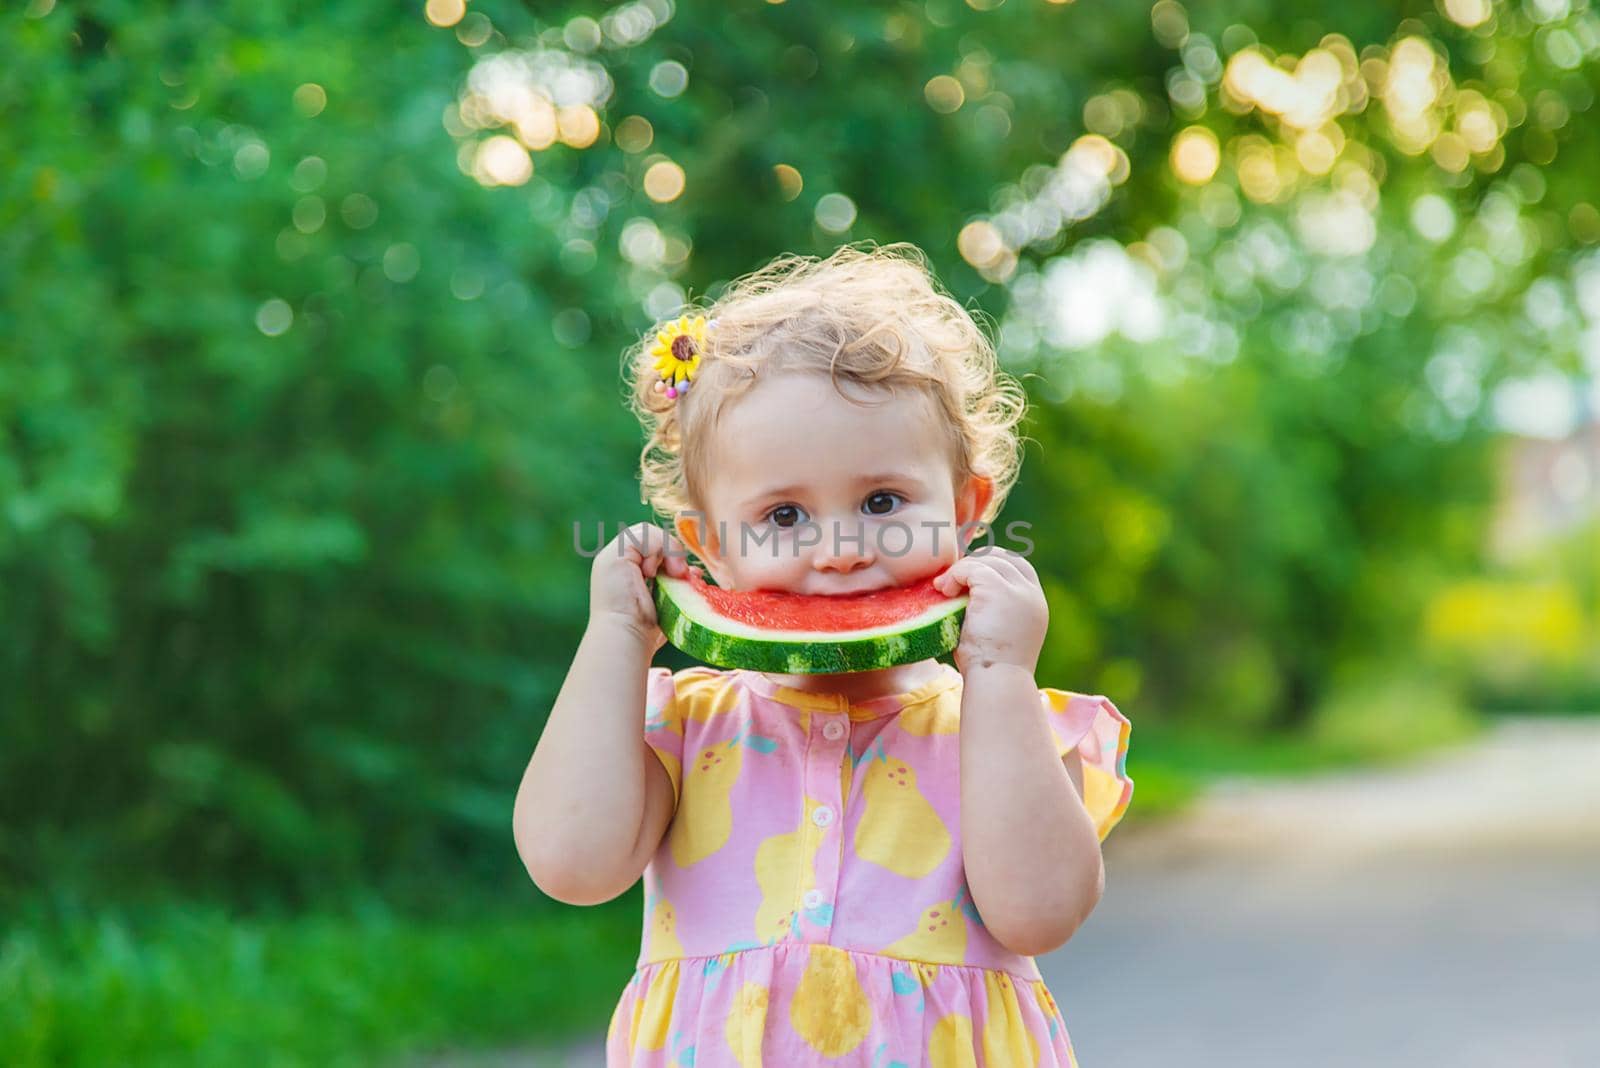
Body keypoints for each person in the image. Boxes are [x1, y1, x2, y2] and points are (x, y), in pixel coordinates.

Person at [514, 242, 1134, 1066]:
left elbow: (1041, 913)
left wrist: (1002, 674)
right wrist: (614, 642)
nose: (839, 549)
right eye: (782, 516)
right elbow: (571, 865)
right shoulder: (688, 727)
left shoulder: (1003, 729)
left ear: (966, 508)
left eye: (882, 501)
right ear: (710, 549)